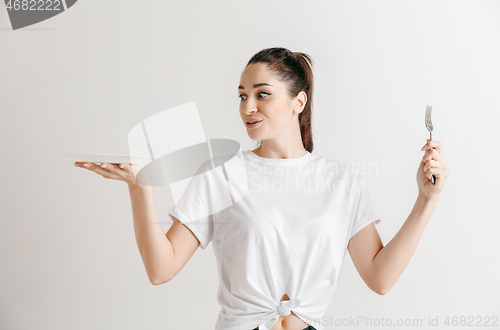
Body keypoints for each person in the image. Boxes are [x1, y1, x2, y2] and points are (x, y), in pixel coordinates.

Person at [74, 47, 450, 330]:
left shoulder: (342, 181)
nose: (247, 107)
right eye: (242, 95)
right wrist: (141, 188)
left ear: (298, 102)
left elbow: (379, 278)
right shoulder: (222, 174)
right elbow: (161, 269)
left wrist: (426, 200)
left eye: (262, 94)